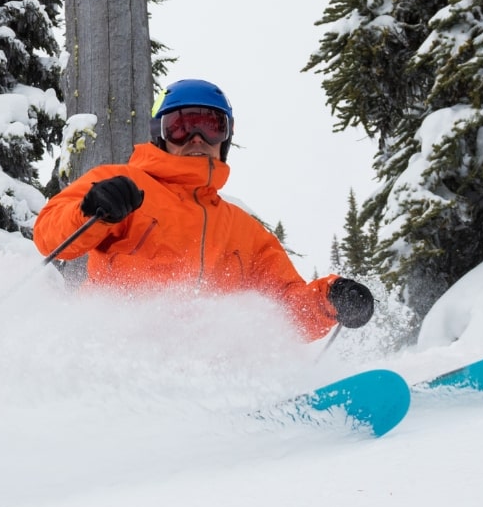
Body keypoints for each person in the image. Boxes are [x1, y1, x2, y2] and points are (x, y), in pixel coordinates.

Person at [32, 78, 376, 339]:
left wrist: (329, 300)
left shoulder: (245, 232)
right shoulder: (121, 183)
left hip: (204, 376)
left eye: (211, 127)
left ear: (224, 138)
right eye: (180, 127)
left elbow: (282, 311)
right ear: (160, 134)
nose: (196, 138)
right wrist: (93, 209)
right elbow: (49, 236)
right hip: (114, 351)